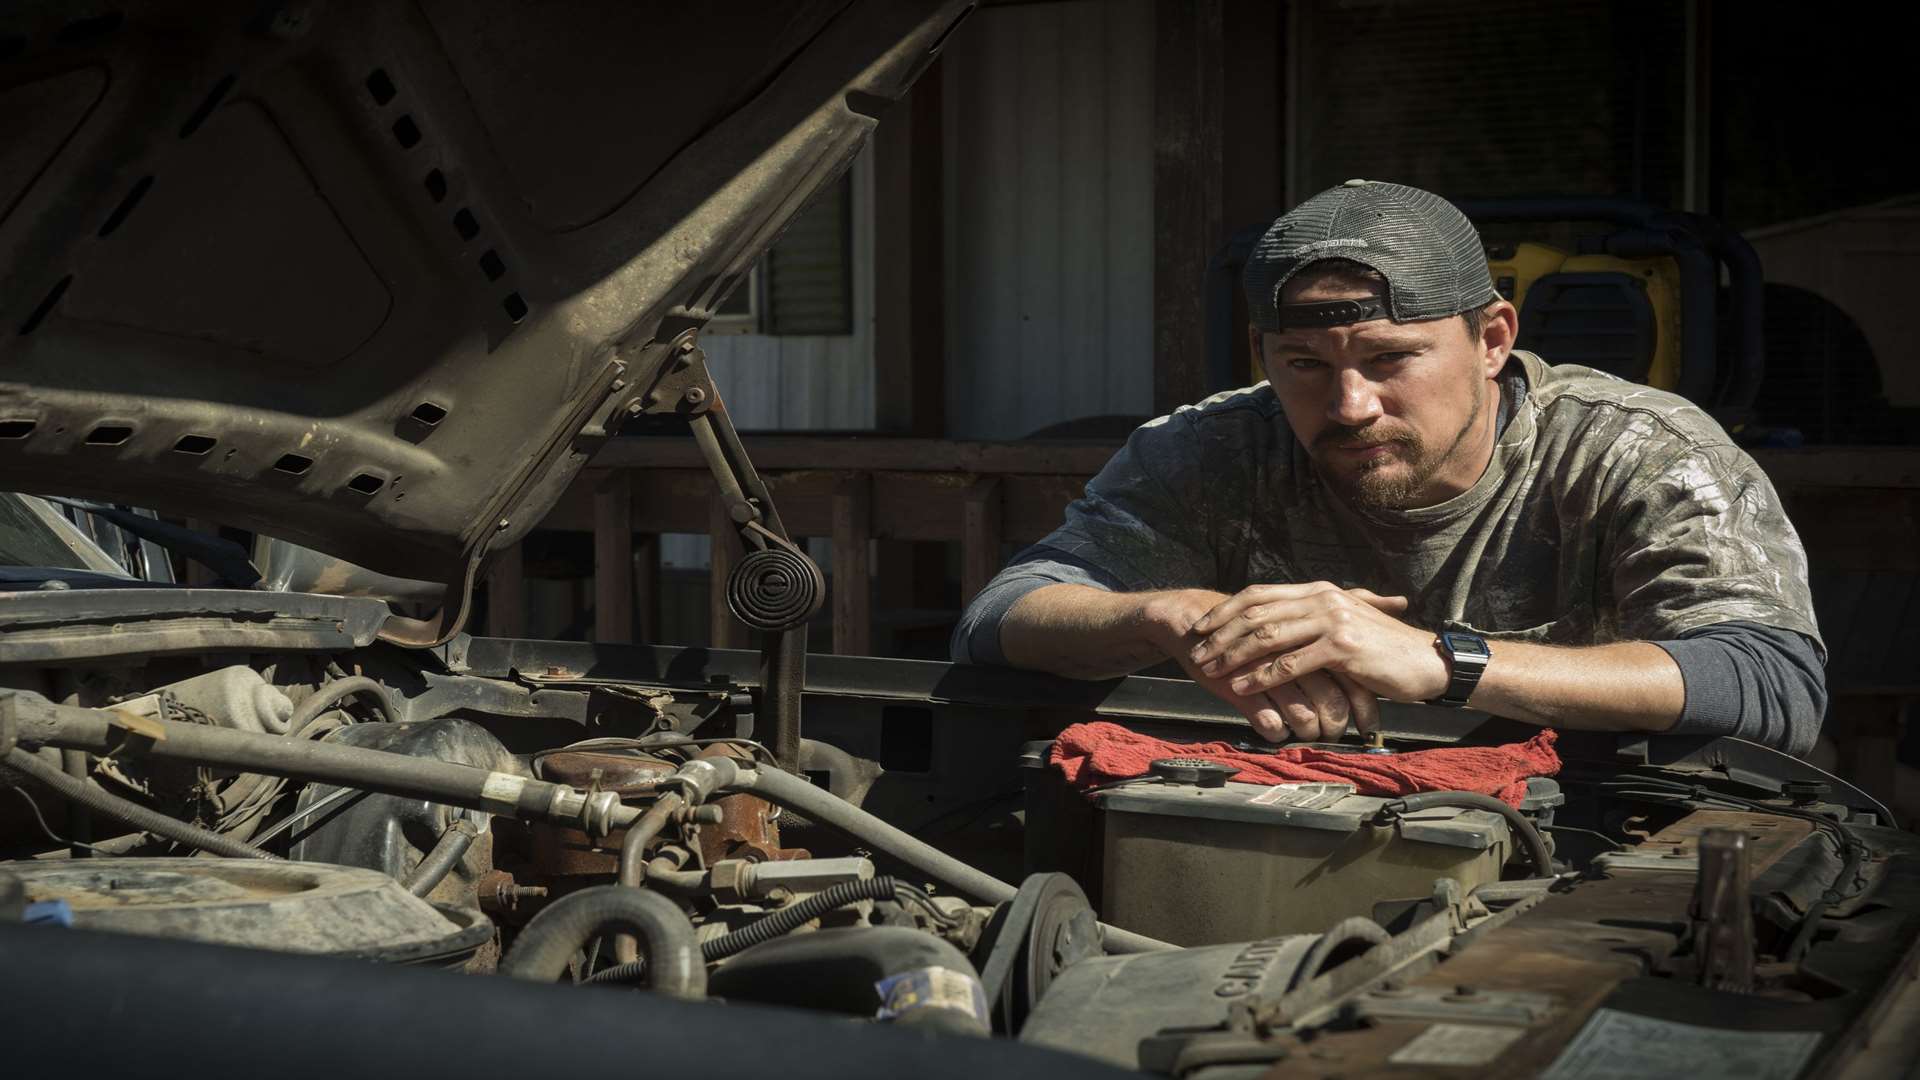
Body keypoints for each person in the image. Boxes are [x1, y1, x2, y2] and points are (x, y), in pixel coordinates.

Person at [952, 180, 1825, 756]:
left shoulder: (1635, 450)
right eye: (1305, 366)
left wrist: (1446, 662)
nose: (1350, 406)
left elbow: (1769, 677)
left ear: (1492, 340)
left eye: (1390, 359)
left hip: (1594, 839)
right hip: (1300, 831)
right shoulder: (1217, 445)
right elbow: (1000, 617)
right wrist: (1171, 616)